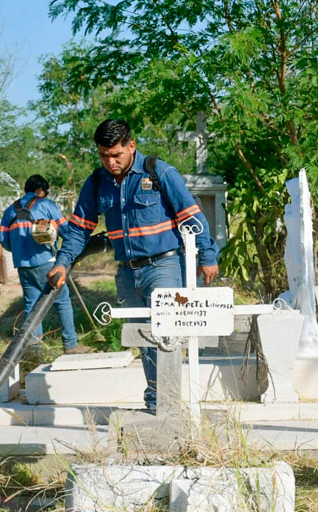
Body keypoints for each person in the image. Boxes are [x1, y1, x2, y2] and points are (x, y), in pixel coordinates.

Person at [49, 119, 220, 410]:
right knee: (144, 338)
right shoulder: (96, 182)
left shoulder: (159, 172)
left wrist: (207, 256)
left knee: (165, 334)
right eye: (104, 155)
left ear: (131, 145)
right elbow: (79, 230)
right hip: (127, 273)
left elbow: (191, 216)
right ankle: (157, 402)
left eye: (117, 155)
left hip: (165, 266)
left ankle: (166, 403)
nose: (111, 162)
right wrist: (62, 263)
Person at [0, 175, 89, 354]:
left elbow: (2, 239)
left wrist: (19, 250)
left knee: (31, 305)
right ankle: (70, 345)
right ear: (41, 190)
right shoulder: (45, 205)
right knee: (62, 301)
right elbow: (66, 231)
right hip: (47, 262)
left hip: (23, 265)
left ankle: (35, 350)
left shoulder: (10, 210)